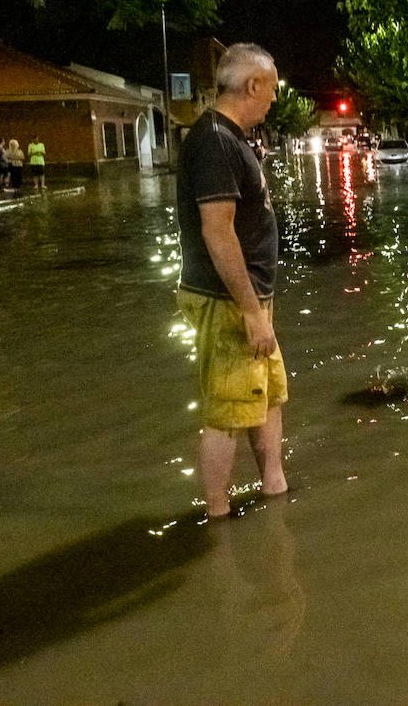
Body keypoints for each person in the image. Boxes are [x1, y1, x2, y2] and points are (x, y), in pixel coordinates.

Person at [175, 43, 287, 518]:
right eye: (273, 89)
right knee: (227, 411)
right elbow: (217, 230)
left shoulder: (228, 137)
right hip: (228, 301)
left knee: (267, 396)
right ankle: (217, 517)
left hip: (247, 298)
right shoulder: (216, 142)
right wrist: (248, 310)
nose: (275, 101)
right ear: (254, 85)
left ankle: (275, 493)